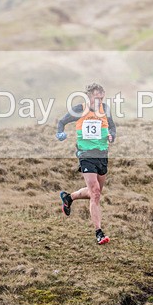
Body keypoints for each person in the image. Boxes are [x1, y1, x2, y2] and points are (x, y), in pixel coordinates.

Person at [56, 82, 117, 245]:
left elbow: (112, 127)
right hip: (85, 155)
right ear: (89, 96)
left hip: (102, 155)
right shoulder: (79, 109)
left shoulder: (106, 109)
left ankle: (69, 197)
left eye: (101, 97)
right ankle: (99, 232)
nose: (99, 100)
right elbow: (62, 122)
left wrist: (112, 135)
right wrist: (60, 132)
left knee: (94, 193)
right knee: (95, 192)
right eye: (96, 97)